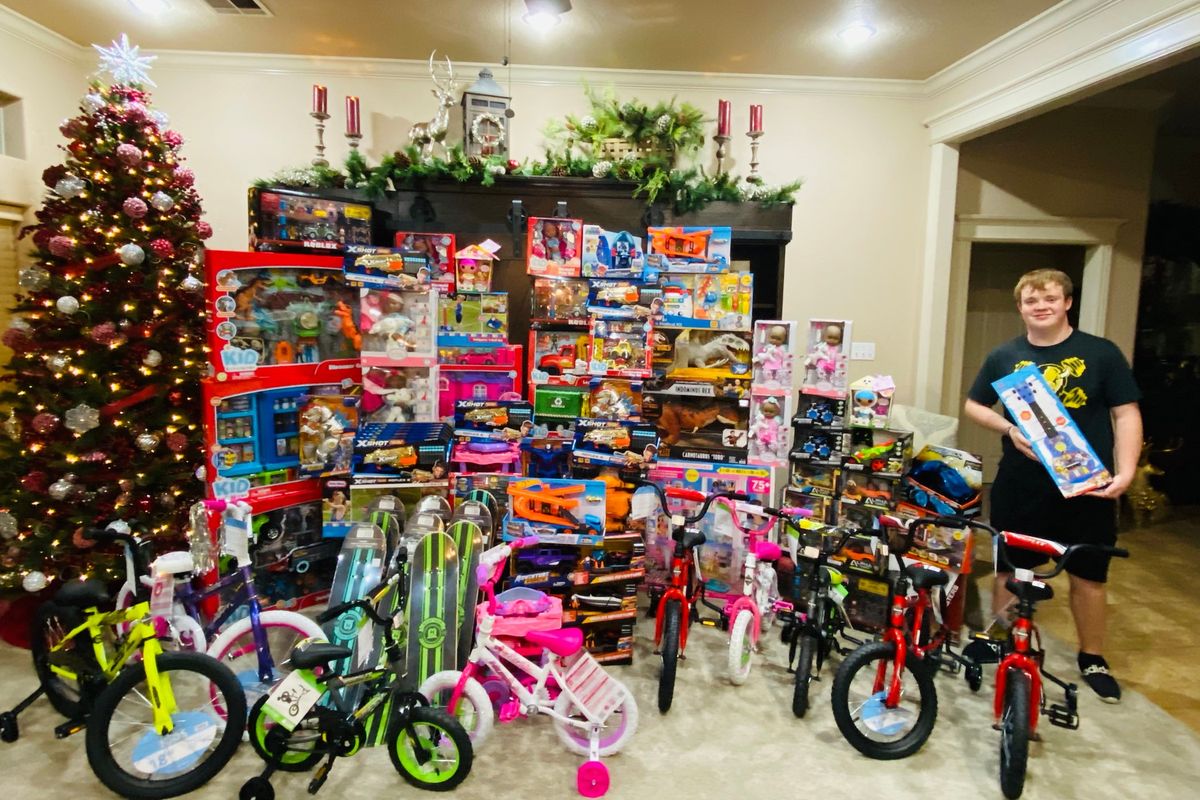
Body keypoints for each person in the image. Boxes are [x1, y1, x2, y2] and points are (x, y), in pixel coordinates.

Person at [963, 268, 1142, 703]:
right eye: (1030, 301)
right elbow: (973, 404)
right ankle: (998, 636)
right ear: (1020, 307)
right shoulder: (1005, 355)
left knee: (1088, 573)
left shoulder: (1101, 354)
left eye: (1049, 299)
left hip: (1087, 486)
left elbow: (1126, 413)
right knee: (1010, 568)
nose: (1040, 307)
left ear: (1066, 303)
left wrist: (1127, 471)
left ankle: (1092, 656)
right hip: (1022, 485)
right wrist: (1009, 430)